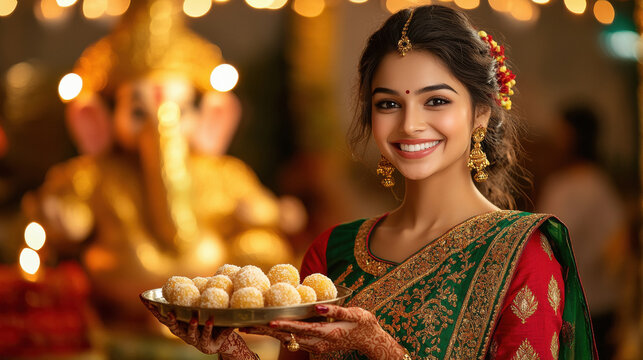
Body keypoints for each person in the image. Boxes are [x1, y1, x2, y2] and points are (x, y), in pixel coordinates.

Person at [145, 5, 597, 359]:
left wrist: (377, 346)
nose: (410, 124)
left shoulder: (523, 254)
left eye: (435, 100)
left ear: (480, 113)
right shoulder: (332, 253)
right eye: (388, 104)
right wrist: (228, 346)